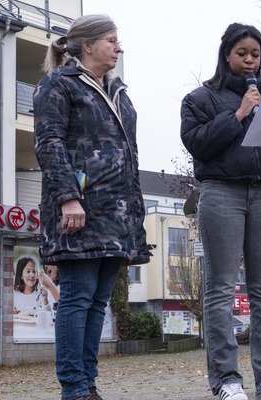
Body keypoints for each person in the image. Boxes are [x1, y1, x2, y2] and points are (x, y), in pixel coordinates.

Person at [180, 22, 261, 400]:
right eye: (242, 53)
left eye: (256, 54)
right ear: (226, 55)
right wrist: (237, 114)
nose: (250, 60)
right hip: (221, 194)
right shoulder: (199, 99)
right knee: (219, 289)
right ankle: (226, 381)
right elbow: (198, 146)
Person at [33, 14, 150, 400]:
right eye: (112, 41)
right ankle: (73, 387)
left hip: (117, 215)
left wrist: (136, 216)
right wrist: (68, 198)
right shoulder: (58, 85)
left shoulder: (118, 91)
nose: (119, 48)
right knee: (77, 298)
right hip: (79, 210)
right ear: (87, 45)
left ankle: (88, 384)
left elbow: (128, 156)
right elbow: (49, 144)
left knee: (98, 302)